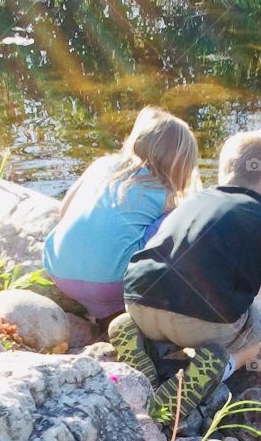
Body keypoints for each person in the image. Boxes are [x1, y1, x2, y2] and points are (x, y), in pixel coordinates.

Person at [110, 130, 261, 426]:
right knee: (256, 328)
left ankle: (140, 344)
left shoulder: (192, 202)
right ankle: (214, 369)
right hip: (200, 322)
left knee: (162, 309)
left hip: (138, 300)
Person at [43, 107, 199, 323]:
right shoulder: (165, 196)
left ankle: (104, 317)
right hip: (111, 284)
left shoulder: (103, 164)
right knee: (176, 224)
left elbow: (64, 209)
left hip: (58, 269)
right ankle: (134, 317)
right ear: (181, 166)